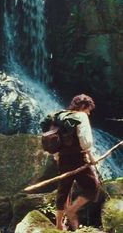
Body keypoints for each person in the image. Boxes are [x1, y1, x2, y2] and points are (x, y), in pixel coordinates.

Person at [55, 94, 100, 231]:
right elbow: (85, 141)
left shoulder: (61, 116)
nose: (89, 112)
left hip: (62, 158)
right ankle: (72, 210)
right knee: (93, 186)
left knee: (64, 190)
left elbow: (54, 139)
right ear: (83, 106)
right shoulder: (81, 116)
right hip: (78, 158)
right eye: (88, 109)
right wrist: (91, 158)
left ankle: (58, 226)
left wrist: (57, 157)